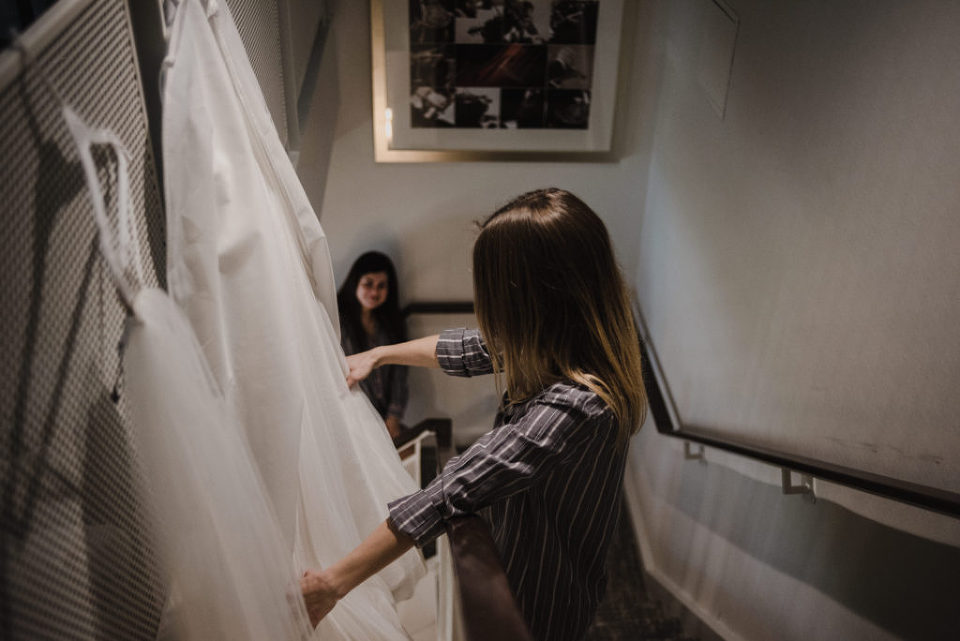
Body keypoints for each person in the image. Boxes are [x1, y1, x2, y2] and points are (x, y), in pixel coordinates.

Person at [304, 189, 647, 641]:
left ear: (532, 297)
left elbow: (453, 490)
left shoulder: (574, 407)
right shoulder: (560, 343)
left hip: (537, 604)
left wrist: (333, 584)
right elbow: (467, 348)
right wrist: (378, 354)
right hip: (530, 571)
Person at [337, 251, 409, 439]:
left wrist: (394, 416)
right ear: (356, 282)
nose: (374, 292)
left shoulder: (391, 322)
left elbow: (400, 373)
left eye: (381, 286)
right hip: (351, 415)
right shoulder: (337, 320)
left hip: (384, 415)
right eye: (368, 284)